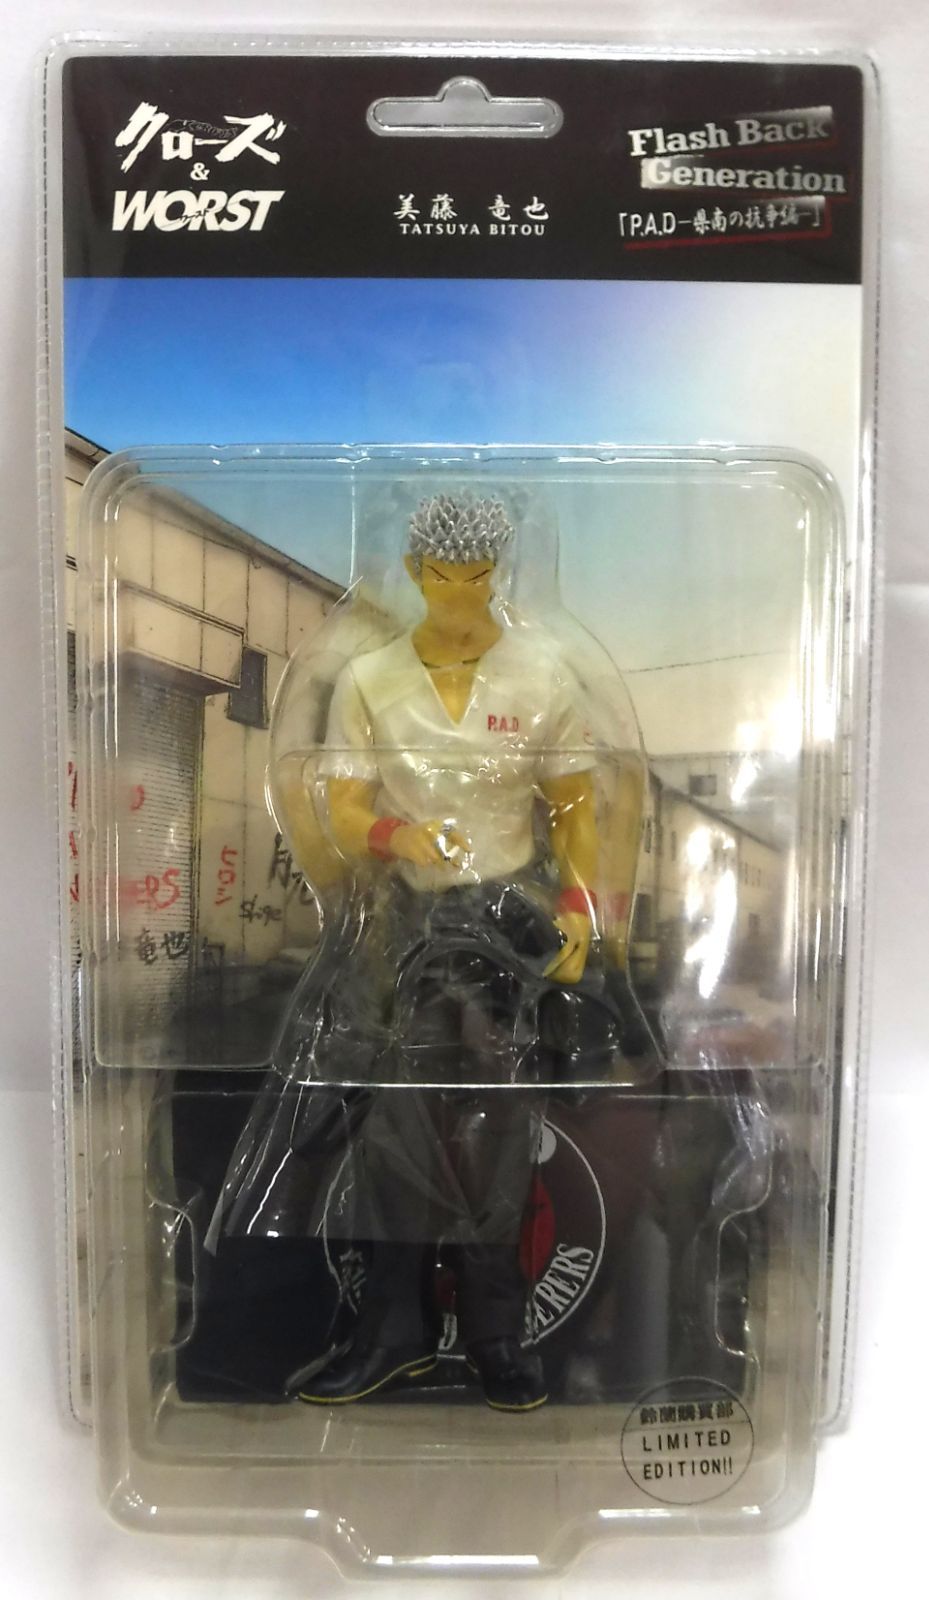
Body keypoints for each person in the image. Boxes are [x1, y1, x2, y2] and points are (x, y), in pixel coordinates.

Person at [209, 492, 647, 1411]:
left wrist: (580, 908)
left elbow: (574, 804)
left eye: (478, 577)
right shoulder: (370, 677)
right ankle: (391, 1333)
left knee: (499, 1133)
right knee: (397, 1133)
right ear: (414, 574)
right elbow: (339, 804)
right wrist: (391, 837)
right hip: (408, 920)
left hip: (508, 920)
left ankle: (497, 1336)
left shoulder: (540, 674)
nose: (461, 595)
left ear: (499, 572)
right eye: (444, 578)